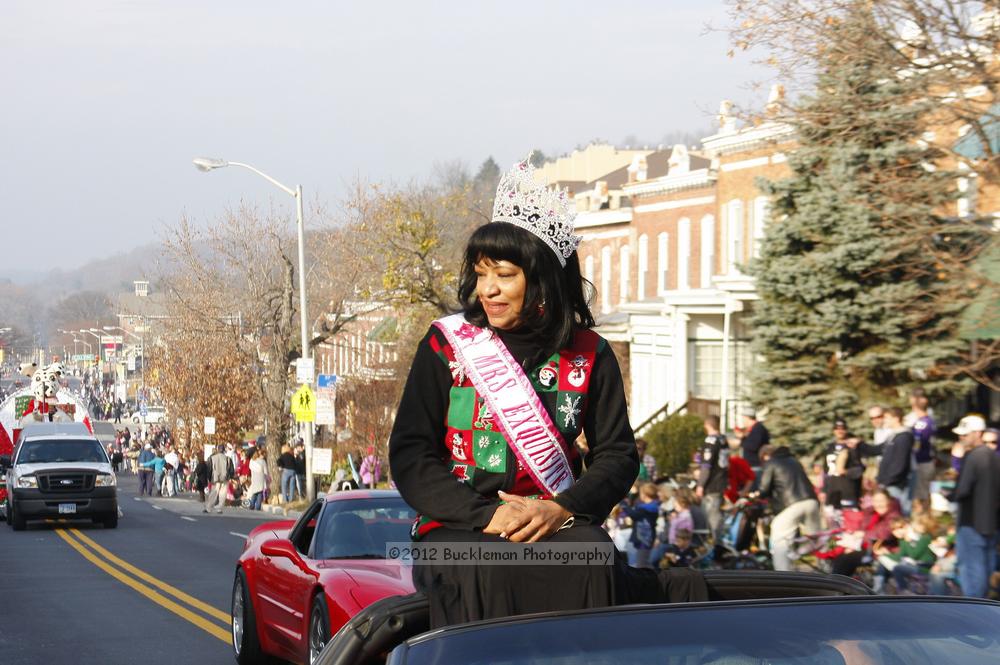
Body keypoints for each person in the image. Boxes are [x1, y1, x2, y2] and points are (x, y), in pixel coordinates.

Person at [389, 157, 704, 629]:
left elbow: (617, 454)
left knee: (593, 555)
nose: (488, 290)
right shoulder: (445, 343)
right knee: (482, 566)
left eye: (505, 276)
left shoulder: (590, 353)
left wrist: (562, 507)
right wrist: (486, 515)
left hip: (555, 522)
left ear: (541, 281)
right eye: (481, 274)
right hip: (462, 525)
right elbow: (412, 454)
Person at [949, 414, 1000, 598]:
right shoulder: (993, 456)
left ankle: (974, 614)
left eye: (965, 434)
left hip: (971, 523)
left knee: (972, 572)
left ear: (978, 433)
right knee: (985, 570)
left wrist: (949, 495)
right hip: (991, 524)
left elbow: (962, 490)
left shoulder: (973, 456)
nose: (961, 438)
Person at [757, 445, 821, 571]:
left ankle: (782, 575)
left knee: (779, 538)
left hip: (792, 504)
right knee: (816, 538)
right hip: (811, 501)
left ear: (765, 455)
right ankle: (825, 568)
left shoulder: (771, 463)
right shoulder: (793, 460)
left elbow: (764, 489)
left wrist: (755, 495)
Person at [830, 489, 900, 578]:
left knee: (846, 560)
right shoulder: (870, 512)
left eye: (882, 501)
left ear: (889, 501)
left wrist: (864, 534)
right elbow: (861, 528)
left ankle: (838, 586)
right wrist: (853, 545)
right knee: (841, 558)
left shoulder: (894, 515)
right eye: (876, 501)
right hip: (865, 547)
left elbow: (885, 534)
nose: (878, 504)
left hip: (882, 549)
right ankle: (838, 585)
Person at [696, 415, 729, 542]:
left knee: (710, 516)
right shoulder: (723, 440)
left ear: (707, 425)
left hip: (711, 485)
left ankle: (714, 545)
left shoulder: (711, 441)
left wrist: (700, 485)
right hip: (721, 482)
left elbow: (706, 466)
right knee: (716, 514)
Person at [824, 419, 864, 510]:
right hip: (832, 491)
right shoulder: (829, 447)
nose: (840, 431)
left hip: (848, 490)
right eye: (837, 429)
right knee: (832, 521)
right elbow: (826, 470)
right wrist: (824, 490)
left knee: (850, 520)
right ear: (833, 431)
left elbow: (860, 469)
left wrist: (846, 471)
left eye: (842, 428)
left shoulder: (852, 447)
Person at [907, 388, 936, 504]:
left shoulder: (923, 422)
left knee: (920, 497)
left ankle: (923, 519)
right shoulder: (919, 419)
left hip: (921, 463)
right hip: (920, 462)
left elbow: (918, 444)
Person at [622, 482, 660, 568]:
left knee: (642, 563)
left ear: (645, 494)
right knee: (641, 562)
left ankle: (655, 579)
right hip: (644, 537)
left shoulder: (649, 508)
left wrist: (624, 505)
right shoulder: (651, 506)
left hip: (644, 539)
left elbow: (634, 514)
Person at [737, 409, 769, 477]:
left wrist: (740, 442)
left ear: (747, 418)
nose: (743, 421)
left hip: (755, 466)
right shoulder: (754, 429)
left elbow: (753, 446)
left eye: (743, 418)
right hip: (751, 466)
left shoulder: (758, 429)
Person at [204, 446, 230, 514]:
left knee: (213, 493)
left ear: (218, 450)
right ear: (224, 450)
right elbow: (231, 470)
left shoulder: (212, 458)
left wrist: (209, 478)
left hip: (215, 478)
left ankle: (208, 508)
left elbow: (209, 469)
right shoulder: (227, 459)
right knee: (223, 494)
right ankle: (219, 508)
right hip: (225, 478)